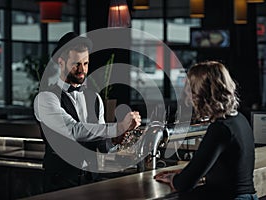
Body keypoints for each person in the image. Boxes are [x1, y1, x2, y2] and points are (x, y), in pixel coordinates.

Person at [34, 32, 141, 192]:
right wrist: (117, 127)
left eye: (85, 63)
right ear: (61, 62)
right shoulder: (46, 98)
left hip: (91, 181)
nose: (82, 70)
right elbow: (74, 130)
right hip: (60, 182)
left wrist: (115, 141)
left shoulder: (95, 98)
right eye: (76, 64)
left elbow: (100, 143)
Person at [154, 61, 258, 200]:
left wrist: (173, 178)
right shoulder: (239, 119)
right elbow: (224, 169)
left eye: (190, 89)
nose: (188, 96)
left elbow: (184, 184)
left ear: (203, 93)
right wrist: (184, 172)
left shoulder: (220, 129)